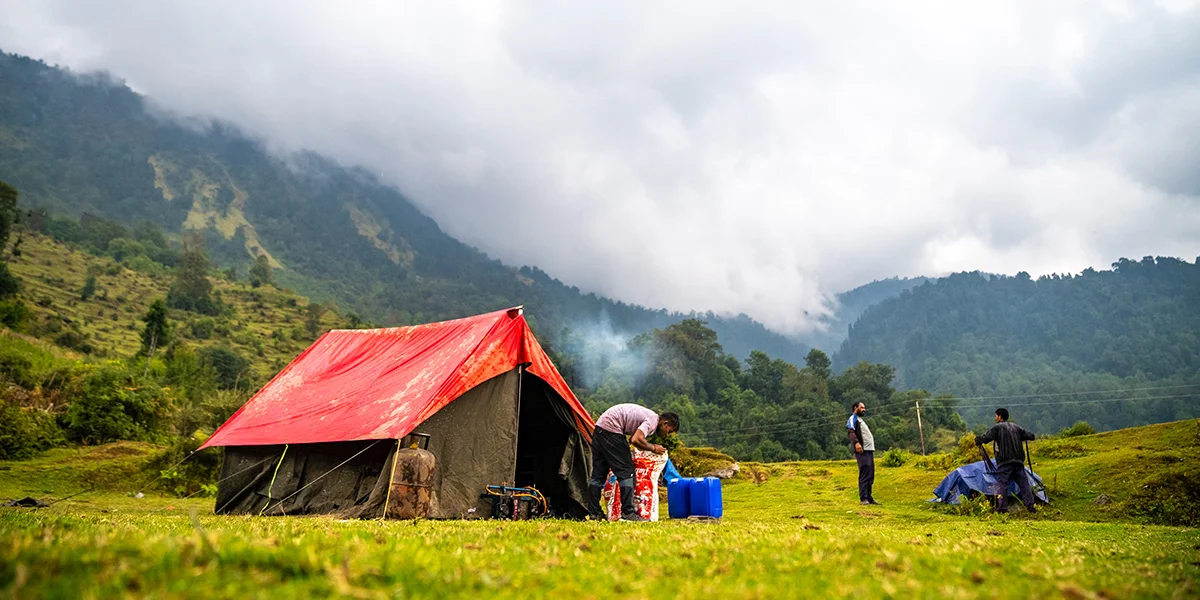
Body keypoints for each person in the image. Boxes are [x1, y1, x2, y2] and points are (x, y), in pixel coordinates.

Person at [587, 404, 679, 522]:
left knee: (598, 474)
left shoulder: (649, 416)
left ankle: (594, 513)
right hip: (612, 431)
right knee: (627, 472)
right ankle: (628, 513)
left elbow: (634, 439)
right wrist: (653, 448)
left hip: (599, 430)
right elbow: (635, 439)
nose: (667, 434)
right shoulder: (652, 420)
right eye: (669, 431)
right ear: (665, 423)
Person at [975, 407, 1037, 513]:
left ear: (999, 416)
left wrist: (978, 439)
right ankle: (1031, 508)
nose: (995, 418)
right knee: (1024, 485)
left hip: (1004, 462)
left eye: (996, 416)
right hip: (1018, 461)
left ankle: (1002, 509)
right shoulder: (1017, 428)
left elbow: (986, 438)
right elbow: (1030, 436)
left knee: (1003, 485)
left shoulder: (997, 428)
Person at [846, 401, 879, 505]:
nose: (864, 409)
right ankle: (863, 498)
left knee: (870, 474)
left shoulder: (860, 420)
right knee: (864, 472)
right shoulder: (853, 418)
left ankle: (869, 497)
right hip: (862, 450)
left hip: (869, 450)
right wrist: (856, 443)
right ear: (856, 408)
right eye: (862, 407)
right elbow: (850, 431)